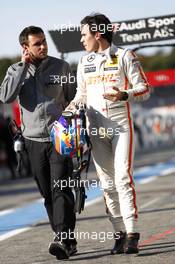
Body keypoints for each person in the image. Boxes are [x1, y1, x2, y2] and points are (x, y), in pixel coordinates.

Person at [67, 14, 150, 254]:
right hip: (95, 128)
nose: (81, 39)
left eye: (84, 34)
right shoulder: (84, 62)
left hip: (120, 126)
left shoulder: (125, 56)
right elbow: (80, 95)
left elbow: (144, 89)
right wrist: (68, 111)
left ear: (98, 34)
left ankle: (132, 233)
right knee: (107, 183)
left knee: (123, 177)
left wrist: (124, 94)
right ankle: (119, 233)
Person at [0, 26, 77, 260]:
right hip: (32, 138)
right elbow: (6, 96)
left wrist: (72, 125)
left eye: (44, 42)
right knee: (47, 191)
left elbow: (73, 96)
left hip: (60, 134)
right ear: (26, 48)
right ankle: (67, 240)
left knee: (61, 187)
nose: (43, 46)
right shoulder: (15, 70)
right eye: (37, 43)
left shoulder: (61, 66)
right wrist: (23, 68)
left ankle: (62, 238)